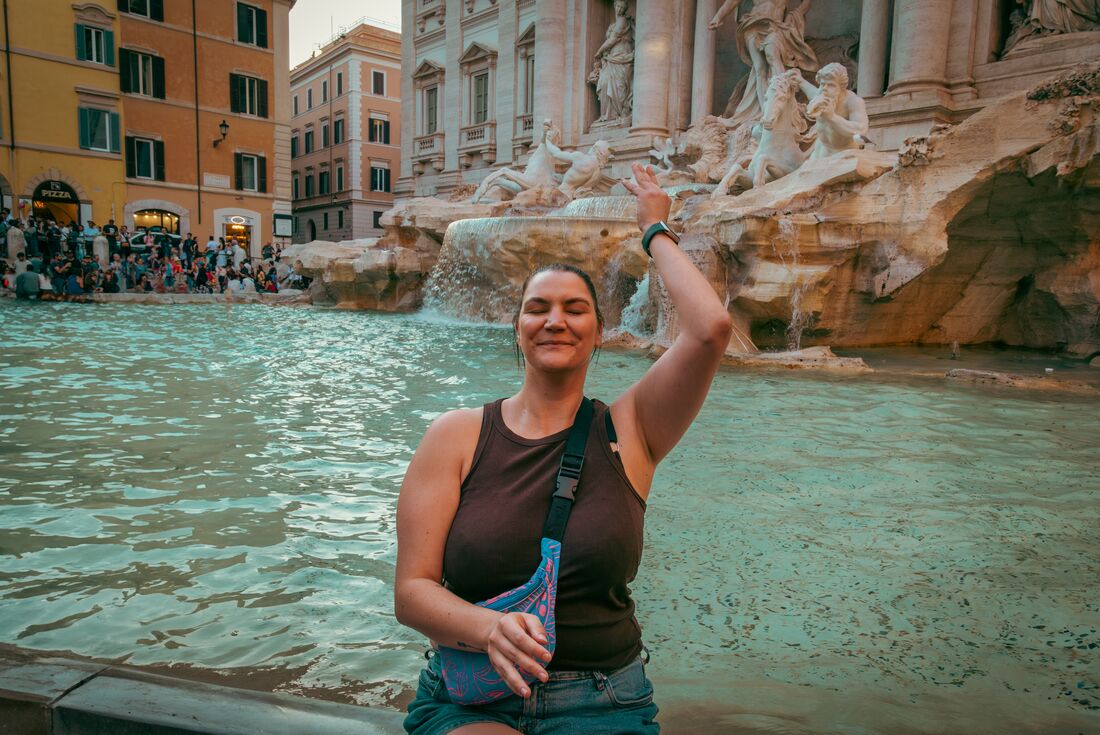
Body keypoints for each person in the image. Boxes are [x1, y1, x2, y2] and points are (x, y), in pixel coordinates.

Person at [396, 163, 733, 735]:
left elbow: (710, 329)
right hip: (472, 693)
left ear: (600, 332)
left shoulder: (632, 429)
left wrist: (655, 230)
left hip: (602, 699)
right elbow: (412, 592)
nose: (555, 320)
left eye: (575, 309)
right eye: (537, 307)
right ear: (518, 328)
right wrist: (488, 630)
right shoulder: (454, 435)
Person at [709, 0, 817, 126]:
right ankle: (766, 110)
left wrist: (796, 13)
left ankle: (785, 104)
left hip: (775, 26)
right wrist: (718, 16)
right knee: (759, 68)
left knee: (773, 57)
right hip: (753, 24)